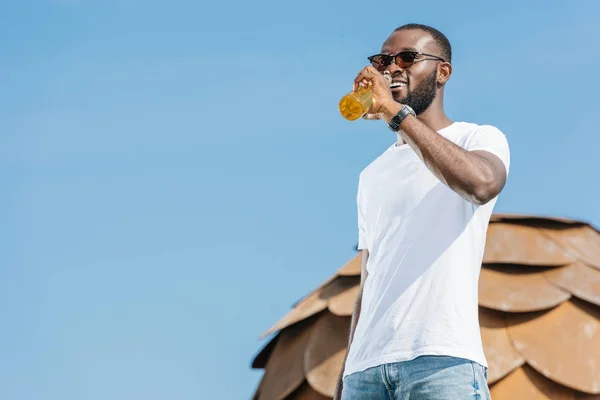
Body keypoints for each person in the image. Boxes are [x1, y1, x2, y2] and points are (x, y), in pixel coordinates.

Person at [333, 24, 510, 400]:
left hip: (441, 363)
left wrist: (396, 114)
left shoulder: (477, 138)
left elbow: (481, 184)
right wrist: (346, 379)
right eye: (383, 60)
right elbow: (369, 285)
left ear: (442, 72)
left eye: (407, 58)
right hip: (364, 376)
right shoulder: (371, 175)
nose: (392, 68)